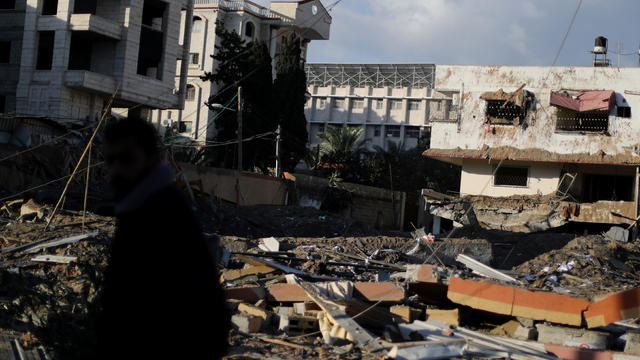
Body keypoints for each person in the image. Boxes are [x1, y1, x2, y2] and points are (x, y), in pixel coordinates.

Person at [96, 118, 229, 359]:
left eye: (126, 159)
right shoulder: (137, 204)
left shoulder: (160, 210)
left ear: (152, 159)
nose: (116, 169)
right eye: (110, 160)